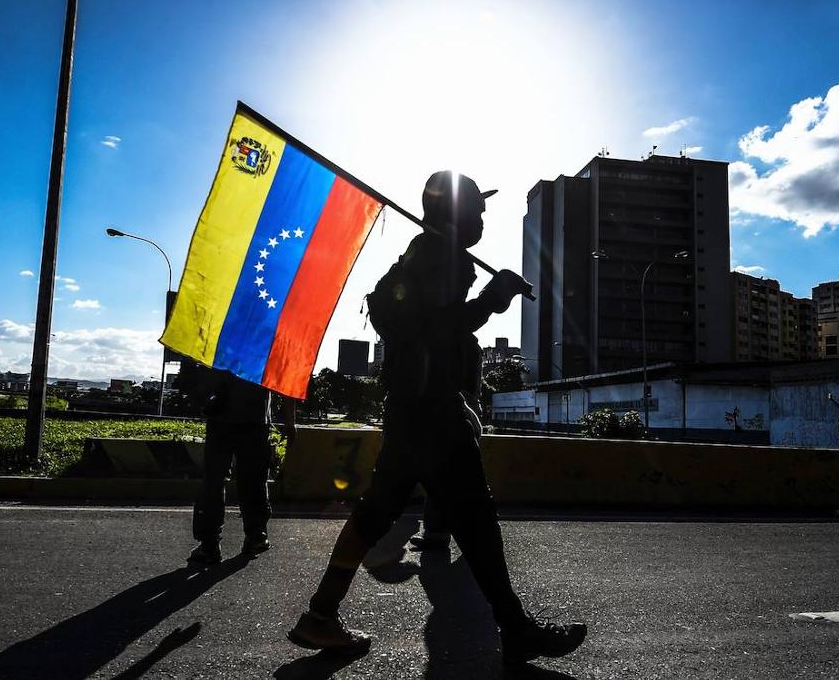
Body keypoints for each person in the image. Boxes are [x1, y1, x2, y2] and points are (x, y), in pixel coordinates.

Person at [287, 171, 587, 666]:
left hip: (412, 407)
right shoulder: (441, 257)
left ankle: (320, 614)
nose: (484, 219)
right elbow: (431, 331)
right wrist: (492, 300)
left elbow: (420, 325)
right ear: (455, 212)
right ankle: (515, 629)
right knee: (475, 518)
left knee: (379, 512)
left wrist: (487, 297)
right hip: (431, 411)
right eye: (478, 210)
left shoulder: (425, 253)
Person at [188, 369, 295, 565]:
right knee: (253, 480)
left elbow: (205, 377)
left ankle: (209, 545)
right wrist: (289, 420)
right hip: (255, 422)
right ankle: (256, 536)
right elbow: (286, 380)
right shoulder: (269, 347)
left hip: (221, 420)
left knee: (214, 480)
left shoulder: (226, 342)